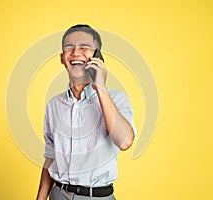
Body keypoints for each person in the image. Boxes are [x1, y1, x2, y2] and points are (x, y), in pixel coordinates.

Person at [36, 24, 136, 200]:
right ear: (62, 58)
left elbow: (125, 141)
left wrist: (100, 88)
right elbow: (50, 157)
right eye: (69, 48)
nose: (75, 52)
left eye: (84, 47)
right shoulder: (54, 105)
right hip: (58, 194)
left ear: (97, 56)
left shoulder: (116, 99)